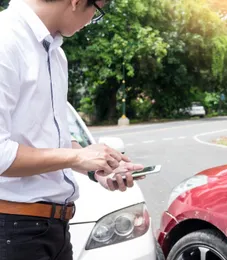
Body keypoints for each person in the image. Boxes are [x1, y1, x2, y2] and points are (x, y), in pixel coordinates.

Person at [0, 0, 143, 259]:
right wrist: (78, 157)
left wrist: (96, 166)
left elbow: (52, 140)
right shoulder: (5, 40)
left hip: (54, 229)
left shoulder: (55, 53)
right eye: (97, 11)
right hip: (12, 229)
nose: (92, 21)